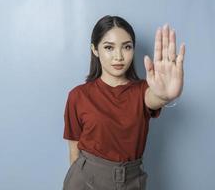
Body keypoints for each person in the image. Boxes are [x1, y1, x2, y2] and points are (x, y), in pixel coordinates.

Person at [62, 15, 185, 190]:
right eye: (109, 47)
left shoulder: (143, 91)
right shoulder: (78, 95)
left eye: (126, 47)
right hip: (85, 180)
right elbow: (74, 152)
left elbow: (154, 97)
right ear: (95, 49)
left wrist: (166, 95)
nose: (118, 56)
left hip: (131, 180)